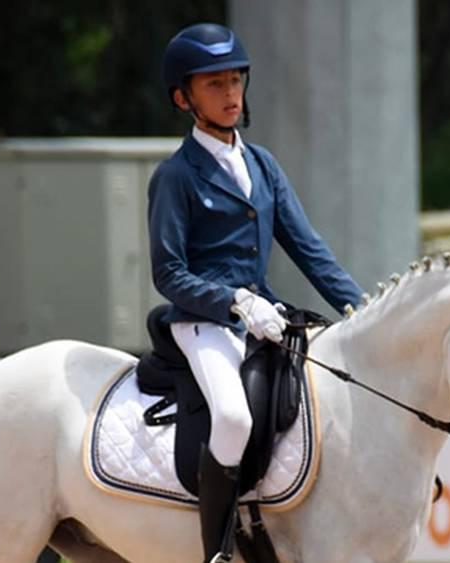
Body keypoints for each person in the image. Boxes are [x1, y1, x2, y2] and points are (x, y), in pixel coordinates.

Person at [148, 23, 364, 562]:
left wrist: (361, 309)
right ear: (184, 98)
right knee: (233, 417)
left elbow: (310, 250)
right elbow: (168, 272)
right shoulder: (176, 176)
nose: (230, 95)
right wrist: (235, 302)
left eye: (235, 82)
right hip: (202, 320)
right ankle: (218, 550)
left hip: (265, 314)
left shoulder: (262, 165)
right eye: (213, 85)